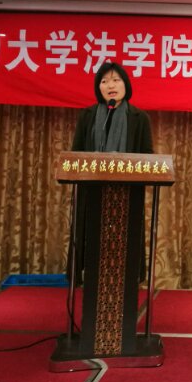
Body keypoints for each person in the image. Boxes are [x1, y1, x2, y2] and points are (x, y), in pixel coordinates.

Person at [69, 61, 153, 287]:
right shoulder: (87, 116)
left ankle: (124, 287)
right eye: (104, 81)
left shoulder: (139, 118)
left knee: (124, 247)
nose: (110, 86)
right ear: (99, 88)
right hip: (91, 194)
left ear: (126, 85)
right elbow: (76, 155)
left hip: (126, 195)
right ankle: (91, 285)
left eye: (116, 80)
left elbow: (148, 157)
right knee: (92, 245)